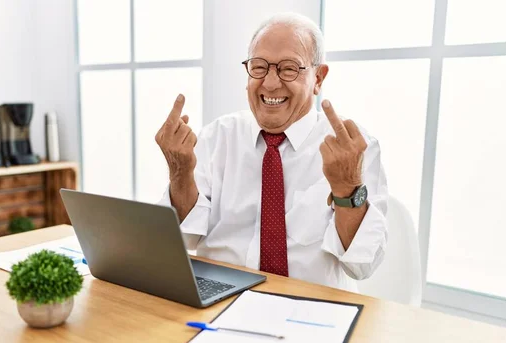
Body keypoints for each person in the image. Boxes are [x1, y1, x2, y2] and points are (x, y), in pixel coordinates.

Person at [156, 12, 388, 292]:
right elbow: (182, 240)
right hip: (217, 299)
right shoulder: (218, 135)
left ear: (318, 77)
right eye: (259, 67)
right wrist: (179, 174)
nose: (270, 83)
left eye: (289, 68)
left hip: (308, 309)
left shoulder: (353, 147)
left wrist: (348, 188)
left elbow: (362, 265)